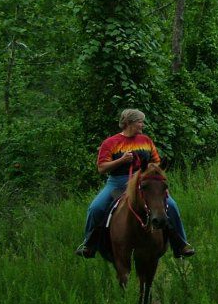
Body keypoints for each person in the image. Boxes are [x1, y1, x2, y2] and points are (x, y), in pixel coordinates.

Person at [75, 109, 195, 259]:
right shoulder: (110, 143)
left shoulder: (146, 141)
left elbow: (156, 163)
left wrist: (160, 188)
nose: (142, 125)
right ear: (128, 123)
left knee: (172, 206)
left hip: (145, 183)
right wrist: (121, 160)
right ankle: (89, 244)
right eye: (140, 122)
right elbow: (101, 168)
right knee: (96, 207)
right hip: (117, 182)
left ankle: (181, 245)